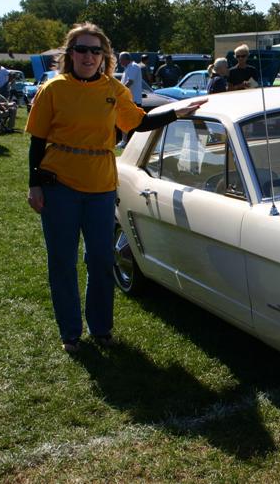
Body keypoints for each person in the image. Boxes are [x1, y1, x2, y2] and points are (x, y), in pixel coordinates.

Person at [25, 22, 206, 353]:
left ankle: (101, 328)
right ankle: (70, 333)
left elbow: (137, 122)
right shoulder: (53, 89)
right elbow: (37, 141)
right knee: (62, 262)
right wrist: (34, 184)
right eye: (82, 49)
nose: (89, 56)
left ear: (104, 56)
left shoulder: (113, 89)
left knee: (99, 258)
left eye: (96, 51)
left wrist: (175, 112)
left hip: (100, 186)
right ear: (70, 54)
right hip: (58, 186)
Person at [117, 52, 143, 148]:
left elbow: (130, 82)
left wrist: (119, 92)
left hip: (133, 100)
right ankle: (124, 141)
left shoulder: (133, 66)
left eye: (120, 59)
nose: (119, 62)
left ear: (126, 59)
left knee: (131, 121)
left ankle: (128, 142)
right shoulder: (128, 67)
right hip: (128, 99)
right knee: (125, 120)